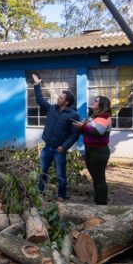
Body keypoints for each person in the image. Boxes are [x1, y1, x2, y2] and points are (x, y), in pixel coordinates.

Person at [31, 73, 79, 201]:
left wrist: (64, 147)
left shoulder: (73, 115)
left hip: (59, 149)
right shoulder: (52, 109)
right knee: (42, 173)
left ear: (66, 102)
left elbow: (74, 134)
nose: (58, 98)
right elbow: (40, 101)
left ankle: (61, 196)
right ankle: (41, 194)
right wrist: (37, 84)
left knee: (61, 175)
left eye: (61, 97)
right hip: (47, 147)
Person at [72, 96, 112, 205]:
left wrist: (84, 126)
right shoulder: (93, 117)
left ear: (101, 105)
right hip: (90, 149)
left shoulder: (104, 117)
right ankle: (98, 200)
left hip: (99, 151)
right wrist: (81, 127)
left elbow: (97, 132)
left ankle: (102, 203)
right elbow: (87, 132)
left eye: (96, 101)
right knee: (95, 177)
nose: (93, 102)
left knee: (99, 178)